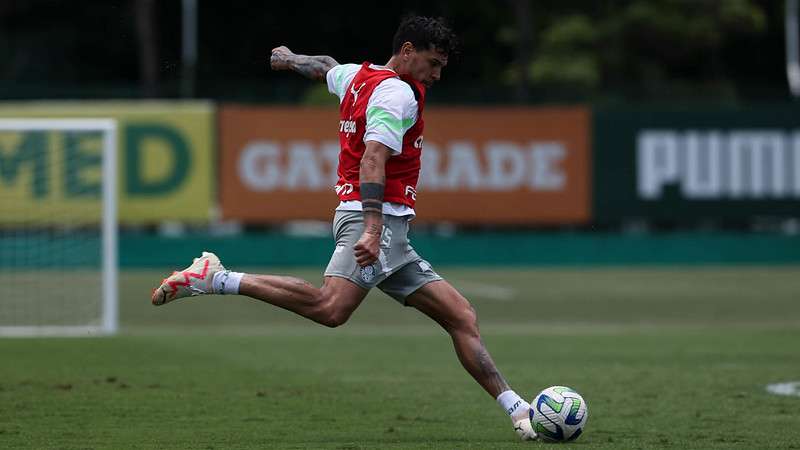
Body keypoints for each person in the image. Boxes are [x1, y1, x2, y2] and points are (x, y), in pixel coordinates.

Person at [151, 15, 536, 441]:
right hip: (376, 219)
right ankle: (216, 279)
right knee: (330, 308)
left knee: (461, 315)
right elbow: (373, 160)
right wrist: (373, 228)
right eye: (433, 62)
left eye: (441, 66)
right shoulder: (396, 95)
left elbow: (325, 66)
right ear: (407, 51)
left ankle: (519, 411)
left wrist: (291, 58)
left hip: (389, 231)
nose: (436, 74)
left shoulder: (359, 76)